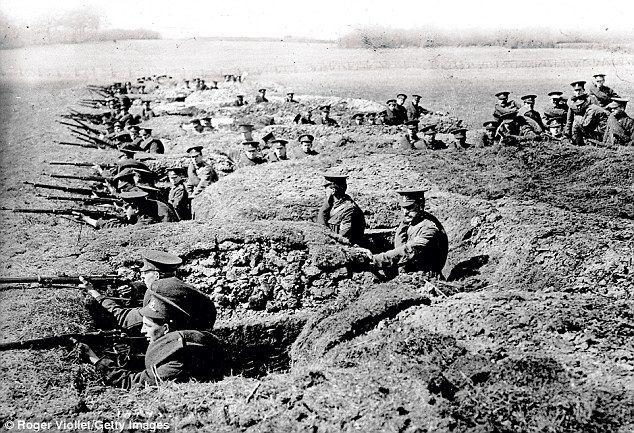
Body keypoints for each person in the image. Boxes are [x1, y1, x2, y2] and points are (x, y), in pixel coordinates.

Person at [78, 277, 221, 389]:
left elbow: (132, 383)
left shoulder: (179, 360)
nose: (142, 330)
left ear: (165, 328)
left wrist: (95, 359)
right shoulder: (180, 343)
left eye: (147, 325)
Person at [82, 250, 184, 333]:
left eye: (145, 272)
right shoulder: (181, 289)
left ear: (156, 275)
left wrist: (94, 293)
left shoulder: (158, 299)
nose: (142, 276)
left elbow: (124, 318)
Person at [366, 189, 448, 278]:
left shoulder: (430, 229)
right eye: (403, 208)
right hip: (409, 272)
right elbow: (399, 242)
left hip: (426, 277)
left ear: (421, 206)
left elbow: (408, 251)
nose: (405, 212)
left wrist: (375, 260)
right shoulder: (411, 221)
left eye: (409, 207)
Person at [79, 189, 179, 229]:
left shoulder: (147, 220)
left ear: (136, 209)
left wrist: (90, 220)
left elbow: (124, 229)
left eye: (126, 207)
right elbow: (127, 216)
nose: (124, 210)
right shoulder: (145, 206)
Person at [317, 174, 366, 246]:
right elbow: (321, 221)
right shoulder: (332, 205)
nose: (325, 191)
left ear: (333, 190)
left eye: (326, 188)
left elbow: (344, 237)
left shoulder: (349, 209)